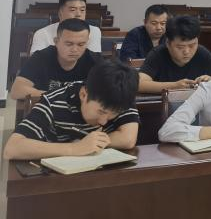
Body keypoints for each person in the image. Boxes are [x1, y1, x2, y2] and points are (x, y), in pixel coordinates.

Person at [4, 60, 139, 160]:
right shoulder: (54, 101)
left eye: (113, 115)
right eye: (101, 112)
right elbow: (12, 148)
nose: (104, 122)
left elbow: (128, 139)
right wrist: (75, 148)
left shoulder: (121, 96)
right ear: (83, 94)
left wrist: (90, 143)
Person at [10, 18, 100, 100]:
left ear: (87, 43)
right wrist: (60, 97)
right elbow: (17, 91)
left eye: (81, 44)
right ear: (56, 41)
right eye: (69, 44)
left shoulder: (95, 61)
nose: (75, 49)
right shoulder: (41, 57)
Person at [138, 15, 211, 93]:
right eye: (180, 47)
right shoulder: (157, 54)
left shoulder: (202, 53)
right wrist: (174, 86)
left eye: (192, 45)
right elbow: (139, 84)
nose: (187, 51)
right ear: (168, 43)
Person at [30, 0, 102, 53]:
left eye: (82, 10)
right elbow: (36, 62)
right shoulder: (42, 33)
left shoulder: (94, 31)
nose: (78, 14)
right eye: (73, 10)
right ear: (60, 13)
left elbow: (94, 61)